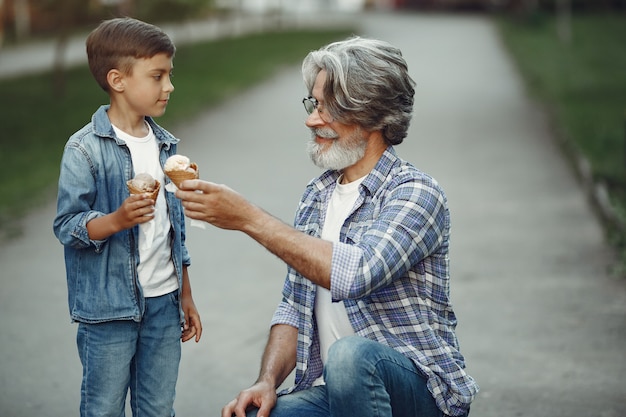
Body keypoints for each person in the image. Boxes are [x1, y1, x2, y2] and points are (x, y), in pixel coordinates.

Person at [177, 36, 478, 417]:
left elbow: (357, 274)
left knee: (350, 357)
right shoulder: (317, 195)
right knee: (253, 414)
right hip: (337, 393)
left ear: (373, 114)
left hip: (418, 396)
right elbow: (293, 306)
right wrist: (266, 381)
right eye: (313, 103)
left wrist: (248, 218)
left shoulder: (416, 193)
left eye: (327, 107)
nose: (311, 119)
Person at [53, 17, 202, 417]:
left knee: (158, 408)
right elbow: (67, 225)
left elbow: (176, 232)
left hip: (164, 304)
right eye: (158, 76)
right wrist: (116, 220)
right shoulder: (84, 150)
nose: (169, 86)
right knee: (103, 408)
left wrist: (185, 296)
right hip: (109, 311)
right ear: (118, 80)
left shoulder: (167, 147)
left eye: (169, 75)